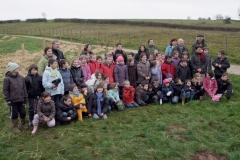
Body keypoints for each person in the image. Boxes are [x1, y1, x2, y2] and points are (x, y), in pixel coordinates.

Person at [3, 62, 28, 132]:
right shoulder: (7, 79)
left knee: (23, 112)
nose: (18, 69)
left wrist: (25, 97)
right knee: (14, 114)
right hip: (13, 100)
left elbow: (24, 88)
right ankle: (15, 127)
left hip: (21, 99)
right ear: (13, 69)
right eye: (17, 68)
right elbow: (5, 90)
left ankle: (23, 124)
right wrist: (8, 100)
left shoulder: (21, 77)